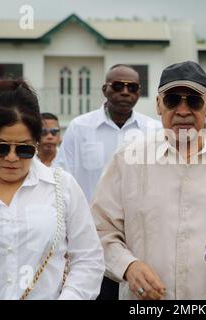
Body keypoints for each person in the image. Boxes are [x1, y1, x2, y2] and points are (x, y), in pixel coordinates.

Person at [91, 61, 206, 300]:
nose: (183, 111)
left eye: (193, 101)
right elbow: (100, 231)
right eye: (173, 100)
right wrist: (128, 266)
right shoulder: (128, 160)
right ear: (158, 104)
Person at [0, 80, 105, 300]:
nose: (12, 158)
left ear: (36, 143)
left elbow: (88, 259)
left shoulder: (63, 187)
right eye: (0, 148)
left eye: (24, 149)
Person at [55, 64, 161, 300]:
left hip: (138, 243)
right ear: (105, 89)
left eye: (132, 87)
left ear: (138, 92)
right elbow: (62, 184)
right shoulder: (80, 128)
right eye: (118, 86)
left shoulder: (154, 130)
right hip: (90, 241)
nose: (125, 92)